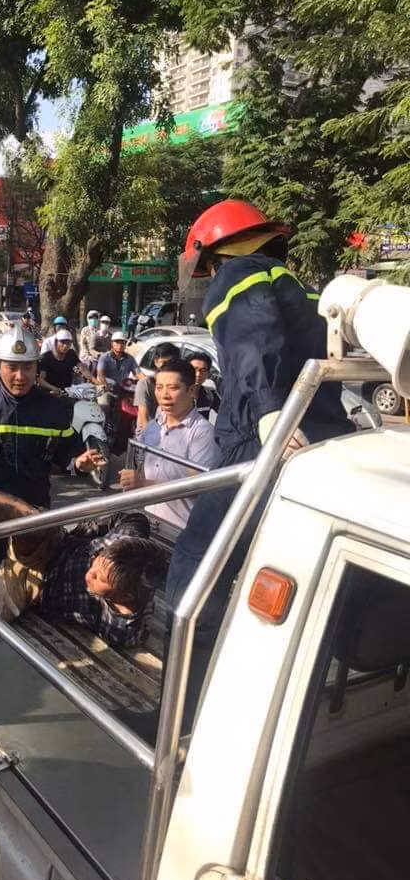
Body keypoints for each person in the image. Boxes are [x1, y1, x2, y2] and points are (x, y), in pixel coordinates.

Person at [168, 199, 352, 652]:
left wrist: (269, 411)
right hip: (318, 436)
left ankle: (181, 706)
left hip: (261, 439)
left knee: (197, 566)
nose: (210, 279)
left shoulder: (238, 273)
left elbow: (254, 338)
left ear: (214, 255)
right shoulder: (301, 288)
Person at [0, 484, 166, 649]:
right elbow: (133, 518)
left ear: (122, 596)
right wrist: (89, 531)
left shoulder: (122, 626)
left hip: (36, 590)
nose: (89, 574)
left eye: (98, 579)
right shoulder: (120, 542)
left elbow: (130, 625)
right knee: (33, 521)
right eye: (95, 564)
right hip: (55, 546)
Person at [0, 323, 105, 547]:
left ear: (36, 368)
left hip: (35, 516)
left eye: (27, 367)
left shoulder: (54, 409)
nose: (20, 376)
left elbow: (66, 455)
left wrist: (79, 463)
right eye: (12, 367)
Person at [119, 360, 217, 530]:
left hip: (182, 532)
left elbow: (196, 487)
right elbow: (140, 472)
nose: (164, 395)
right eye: (159, 387)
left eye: (173, 388)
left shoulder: (203, 432)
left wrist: (143, 483)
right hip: (148, 526)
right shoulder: (151, 429)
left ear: (192, 390)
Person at [38, 329, 97, 394]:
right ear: (56, 342)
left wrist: (96, 382)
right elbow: (41, 380)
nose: (65, 346)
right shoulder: (47, 357)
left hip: (68, 392)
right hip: (50, 393)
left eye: (68, 343)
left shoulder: (71, 354)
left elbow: (83, 369)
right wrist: (53, 388)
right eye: (62, 342)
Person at [187, 350, 220, 421]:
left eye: (203, 370)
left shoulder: (210, 395)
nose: (198, 374)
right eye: (194, 369)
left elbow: (226, 414)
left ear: (208, 373)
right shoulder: (176, 393)